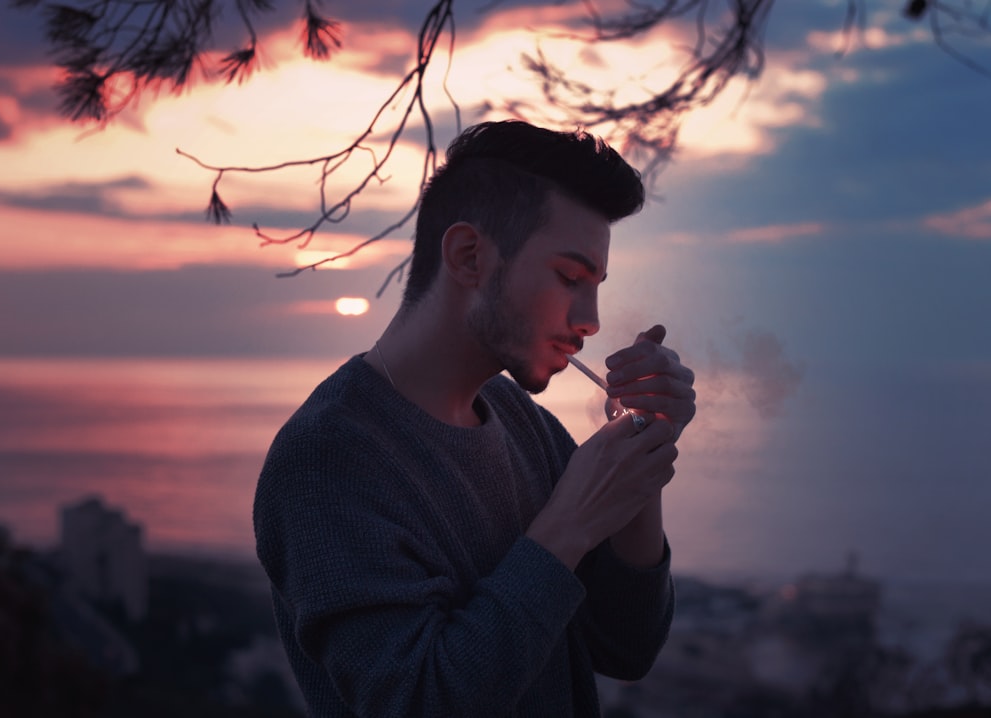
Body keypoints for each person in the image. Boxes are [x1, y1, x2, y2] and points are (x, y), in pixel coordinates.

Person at [253, 120, 697, 717]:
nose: (590, 318)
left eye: (596, 285)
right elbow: (418, 700)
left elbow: (625, 645)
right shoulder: (328, 457)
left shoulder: (519, 420)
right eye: (570, 278)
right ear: (468, 256)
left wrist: (640, 452)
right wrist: (568, 523)